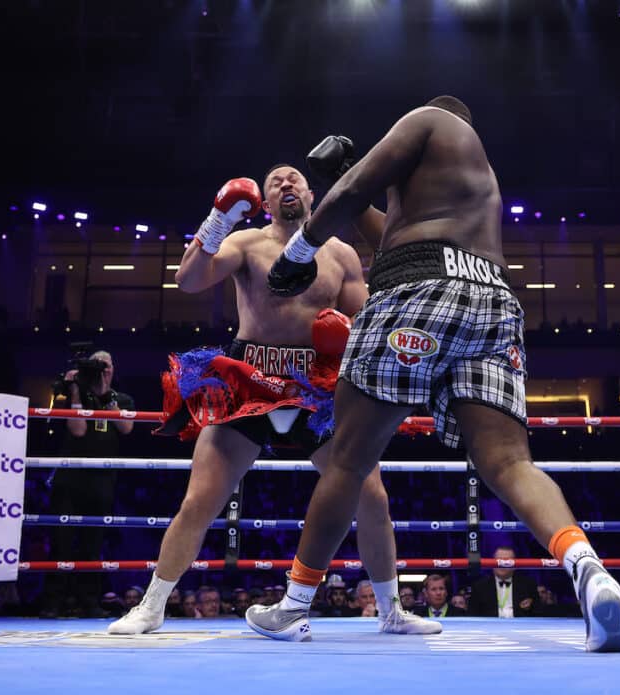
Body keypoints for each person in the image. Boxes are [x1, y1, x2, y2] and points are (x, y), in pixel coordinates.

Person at [247, 95, 620, 652]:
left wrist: (298, 253)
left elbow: (356, 191)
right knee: (508, 462)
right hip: (492, 301)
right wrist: (341, 181)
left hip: (419, 296)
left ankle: (294, 605)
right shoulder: (475, 183)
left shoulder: (429, 120)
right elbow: (393, 236)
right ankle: (587, 566)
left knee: (349, 458)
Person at [107, 161, 439, 637]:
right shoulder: (245, 244)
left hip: (315, 386)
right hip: (249, 381)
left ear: (311, 194)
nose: (287, 184)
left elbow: (364, 322)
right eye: (276, 182)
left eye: (295, 180)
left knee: (372, 499)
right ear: (263, 201)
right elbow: (189, 279)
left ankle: (391, 612)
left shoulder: (340, 253)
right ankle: (153, 605)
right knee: (200, 500)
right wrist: (219, 220)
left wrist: (354, 331)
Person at [41, 351, 135, 618]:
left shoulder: (121, 399)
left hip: (103, 482)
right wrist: (75, 392)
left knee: (93, 546)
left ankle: (89, 602)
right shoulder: (73, 396)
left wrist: (106, 394)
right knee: (61, 543)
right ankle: (53, 603)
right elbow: (78, 430)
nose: (102, 370)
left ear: (114, 369)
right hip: (70, 481)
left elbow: (126, 428)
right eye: (98, 366)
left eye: (107, 365)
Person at [467, 546, 540, 617]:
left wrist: (529, 607)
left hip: (520, 626)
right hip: (490, 627)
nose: (502, 564)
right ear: (492, 562)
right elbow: (472, 615)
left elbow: (538, 612)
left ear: (515, 565)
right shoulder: (479, 586)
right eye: (499, 560)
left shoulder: (528, 585)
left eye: (506, 561)